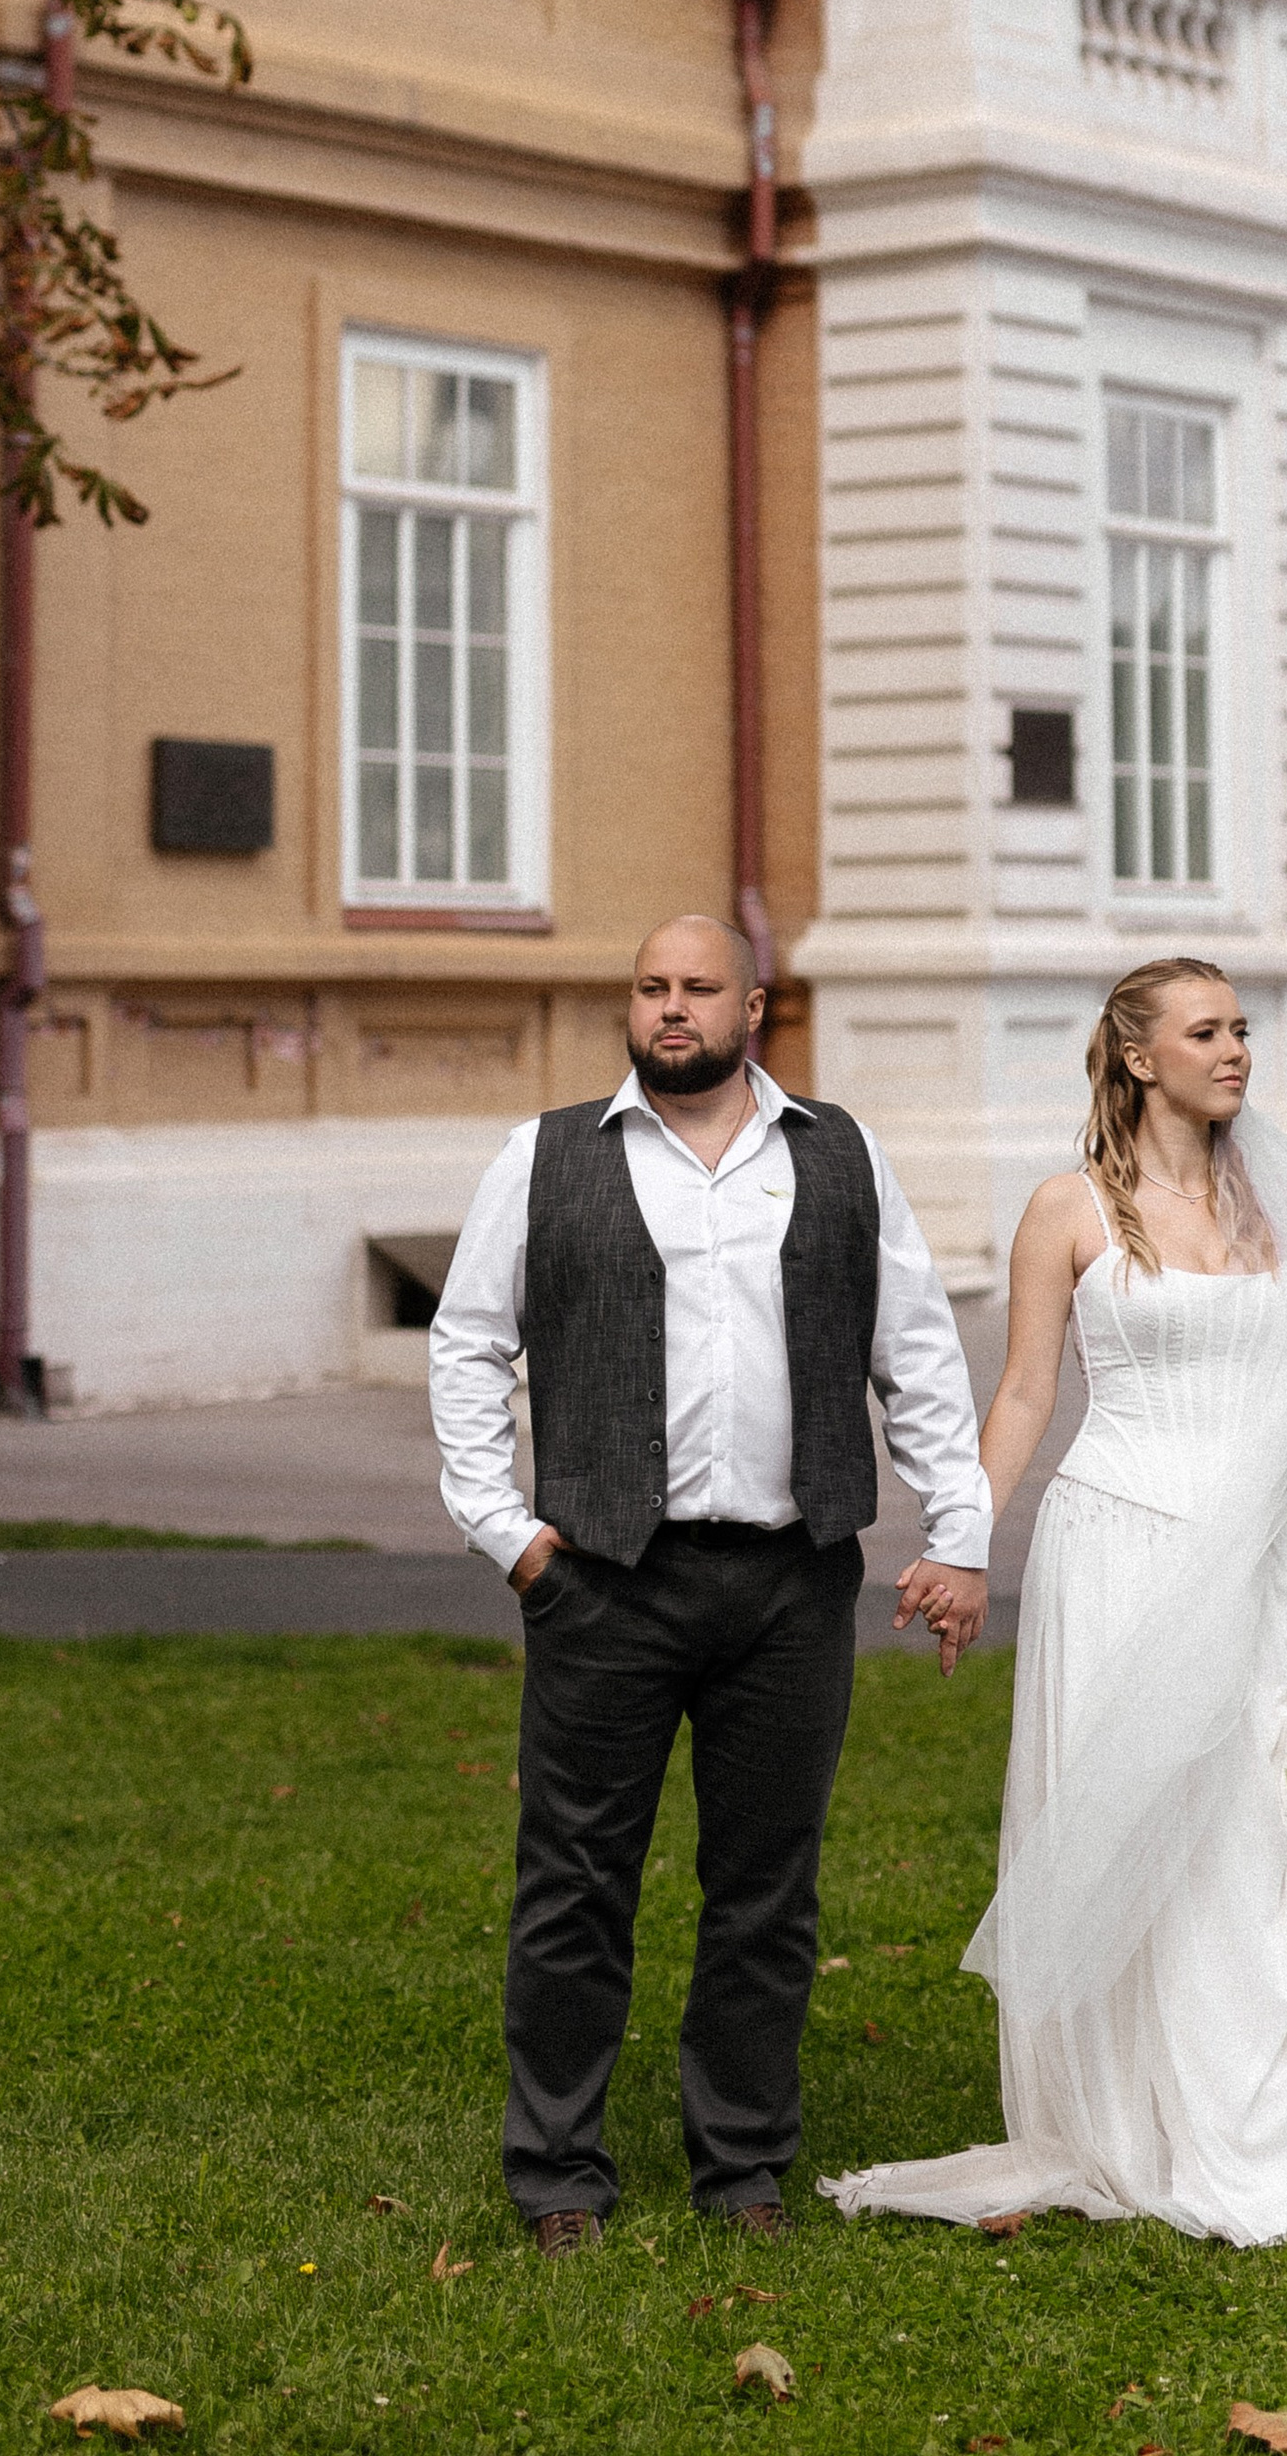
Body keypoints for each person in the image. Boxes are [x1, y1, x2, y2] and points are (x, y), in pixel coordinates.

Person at [821, 955, 1287, 2245]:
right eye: (1206, 1031)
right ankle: (1159, 2112)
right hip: (1119, 1551)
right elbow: (1029, 1399)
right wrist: (964, 1539)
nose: (1236, 1051)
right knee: (1162, 1836)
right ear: (1141, 1057)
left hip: (1264, 1560)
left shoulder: (1272, 1208)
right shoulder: (1067, 1212)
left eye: (1243, 1028)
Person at [430, 914, 991, 2253]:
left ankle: (742, 2164)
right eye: (650, 988)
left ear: (756, 1004)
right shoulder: (547, 1156)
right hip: (606, 1581)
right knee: (575, 1884)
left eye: (698, 988)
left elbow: (913, 1352)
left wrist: (958, 1528)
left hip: (792, 1585)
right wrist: (506, 1532)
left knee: (766, 1890)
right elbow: (465, 1349)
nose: (671, 1008)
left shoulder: (838, 1156)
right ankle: (558, 2171)